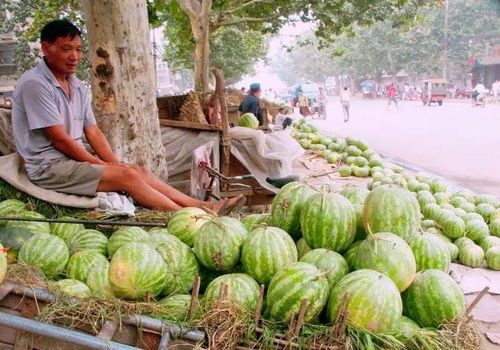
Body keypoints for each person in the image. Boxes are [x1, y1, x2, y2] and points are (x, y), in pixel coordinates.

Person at [11, 19, 244, 213]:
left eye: (78, 49)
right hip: (48, 167)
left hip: (71, 159)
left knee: (138, 171)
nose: (74, 56)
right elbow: (59, 139)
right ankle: (189, 216)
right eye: (65, 49)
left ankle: (203, 206)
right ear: (45, 48)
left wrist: (113, 163)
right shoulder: (35, 84)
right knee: (128, 178)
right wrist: (102, 165)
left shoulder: (78, 86)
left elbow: (92, 131)